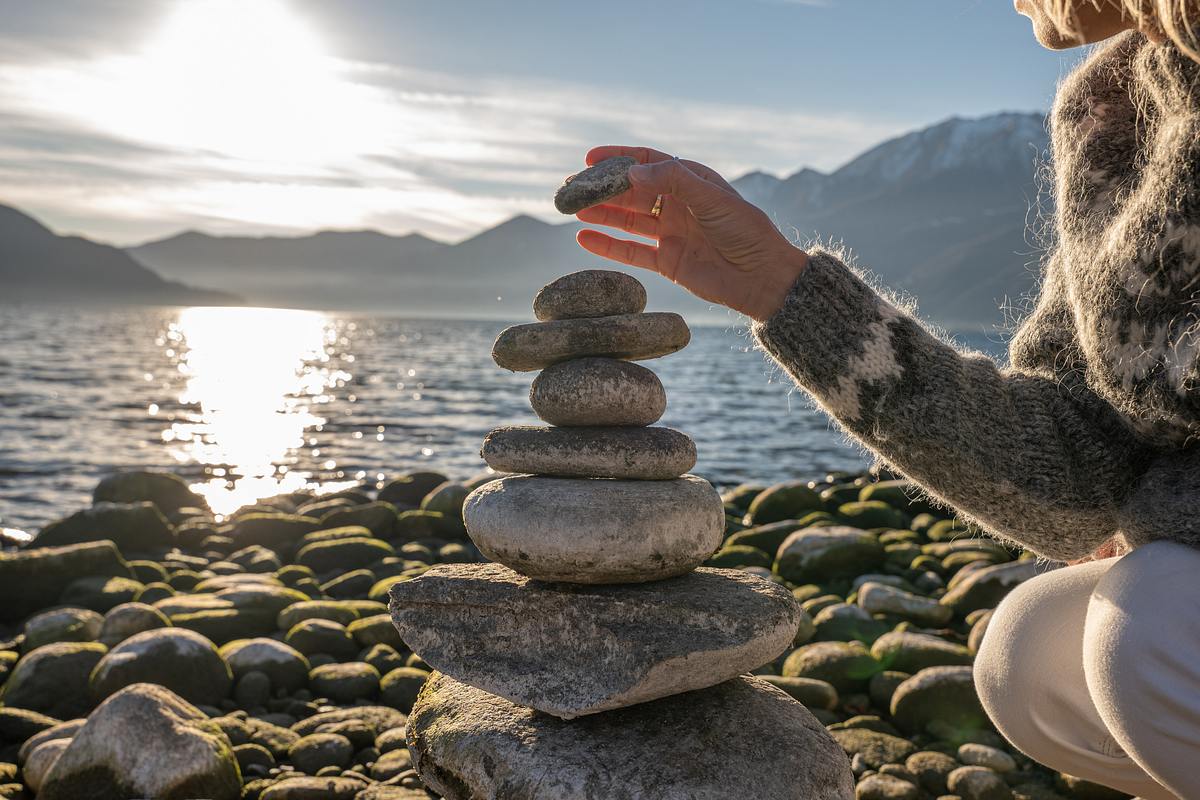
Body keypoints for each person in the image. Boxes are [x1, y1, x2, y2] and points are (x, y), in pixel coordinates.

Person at [573, 2, 1200, 797]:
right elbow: (1074, 466)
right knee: (1033, 657)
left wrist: (1164, 524)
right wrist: (780, 286)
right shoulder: (1113, 111)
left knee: (1156, 618)